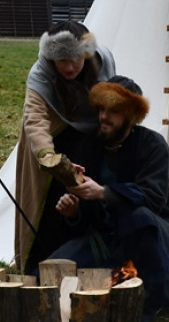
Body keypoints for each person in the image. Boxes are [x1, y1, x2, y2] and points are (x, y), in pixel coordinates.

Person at [47, 76, 169, 321]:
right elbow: (90, 212)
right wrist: (74, 212)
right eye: (102, 109)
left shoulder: (153, 145)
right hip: (106, 239)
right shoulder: (91, 145)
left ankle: (145, 303)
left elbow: (153, 199)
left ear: (130, 116)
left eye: (113, 111)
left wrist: (104, 192)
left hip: (151, 238)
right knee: (50, 272)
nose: (104, 117)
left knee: (139, 218)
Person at [15, 20, 116, 274]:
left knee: (91, 194)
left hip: (93, 138)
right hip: (53, 140)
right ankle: (43, 265)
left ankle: (92, 261)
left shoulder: (103, 62)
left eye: (75, 59)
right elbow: (35, 119)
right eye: (62, 60)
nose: (70, 67)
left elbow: (113, 103)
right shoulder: (40, 74)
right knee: (51, 206)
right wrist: (50, 158)